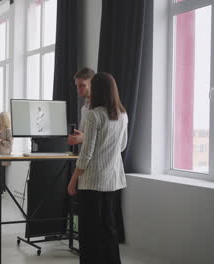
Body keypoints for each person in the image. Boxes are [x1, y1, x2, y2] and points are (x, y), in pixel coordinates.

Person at [68, 72, 128, 264]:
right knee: (108, 227)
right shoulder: (123, 115)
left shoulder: (94, 115)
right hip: (112, 179)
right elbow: (122, 146)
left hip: (92, 181)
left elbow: (86, 155)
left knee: (89, 231)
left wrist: (73, 180)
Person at [68, 67, 95, 146]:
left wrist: (83, 138)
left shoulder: (101, 108)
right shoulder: (84, 108)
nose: (78, 89)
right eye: (77, 86)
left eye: (82, 85)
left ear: (93, 85)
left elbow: (107, 138)